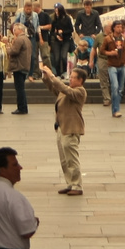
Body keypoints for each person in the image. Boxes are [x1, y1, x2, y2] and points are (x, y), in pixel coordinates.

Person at [38, 61, 86, 196]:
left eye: (73, 77)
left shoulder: (79, 91)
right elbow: (54, 88)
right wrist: (46, 77)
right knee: (64, 160)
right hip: (62, 127)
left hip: (71, 128)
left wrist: (52, 75)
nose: (70, 79)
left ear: (80, 80)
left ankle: (77, 185)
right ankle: (70, 183)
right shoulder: (67, 90)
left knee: (72, 159)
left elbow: (64, 89)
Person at [99, 20, 125, 118]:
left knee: (120, 89)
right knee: (115, 86)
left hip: (122, 65)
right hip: (112, 65)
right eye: (117, 27)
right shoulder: (108, 39)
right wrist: (110, 53)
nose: (119, 29)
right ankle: (116, 109)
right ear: (113, 28)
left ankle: (115, 108)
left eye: (121, 27)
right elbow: (101, 51)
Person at [6, 24, 32, 114]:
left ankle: (21, 108)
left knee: (19, 89)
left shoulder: (19, 39)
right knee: (21, 88)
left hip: (18, 66)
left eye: (15, 29)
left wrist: (8, 49)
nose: (14, 31)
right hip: (24, 66)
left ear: (20, 30)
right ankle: (23, 107)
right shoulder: (27, 39)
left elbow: (14, 51)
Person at [48, 4, 73, 73]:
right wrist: (56, 36)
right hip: (57, 40)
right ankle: (58, 73)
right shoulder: (54, 19)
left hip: (66, 40)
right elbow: (52, 31)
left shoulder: (67, 18)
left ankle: (64, 71)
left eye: (57, 11)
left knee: (64, 56)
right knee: (57, 58)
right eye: (55, 11)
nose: (56, 13)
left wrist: (63, 32)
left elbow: (71, 29)